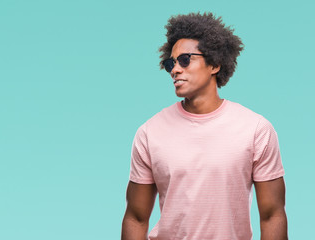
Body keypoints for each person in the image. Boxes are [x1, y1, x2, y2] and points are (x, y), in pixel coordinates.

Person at [121, 12, 287, 240]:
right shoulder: (149, 133)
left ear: (215, 64)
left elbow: (272, 214)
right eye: (171, 63)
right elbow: (136, 217)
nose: (175, 69)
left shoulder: (255, 129)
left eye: (185, 59)